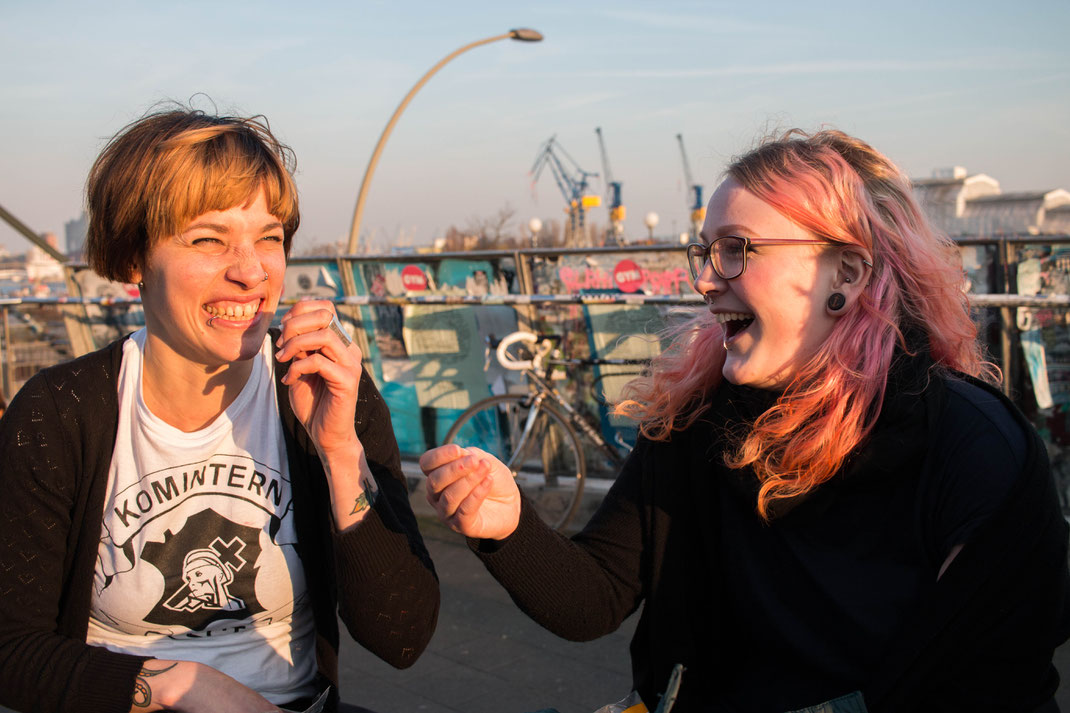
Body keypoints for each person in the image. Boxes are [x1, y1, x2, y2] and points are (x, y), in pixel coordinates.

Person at [422, 129, 1070, 712]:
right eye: (704, 252)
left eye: (736, 250)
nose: (705, 281)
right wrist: (506, 526)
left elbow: (990, 685)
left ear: (844, 271)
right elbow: (597, 594)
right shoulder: (697, 420)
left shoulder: (975, 450)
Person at [0, 107, 439, 713]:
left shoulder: (324, 393)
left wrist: (341, 454)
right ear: (133, 259)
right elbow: (13, 650)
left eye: (270, 238)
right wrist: (182, 684)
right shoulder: (60, 415)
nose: (252, 272)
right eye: (207, 240)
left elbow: (402, 638)